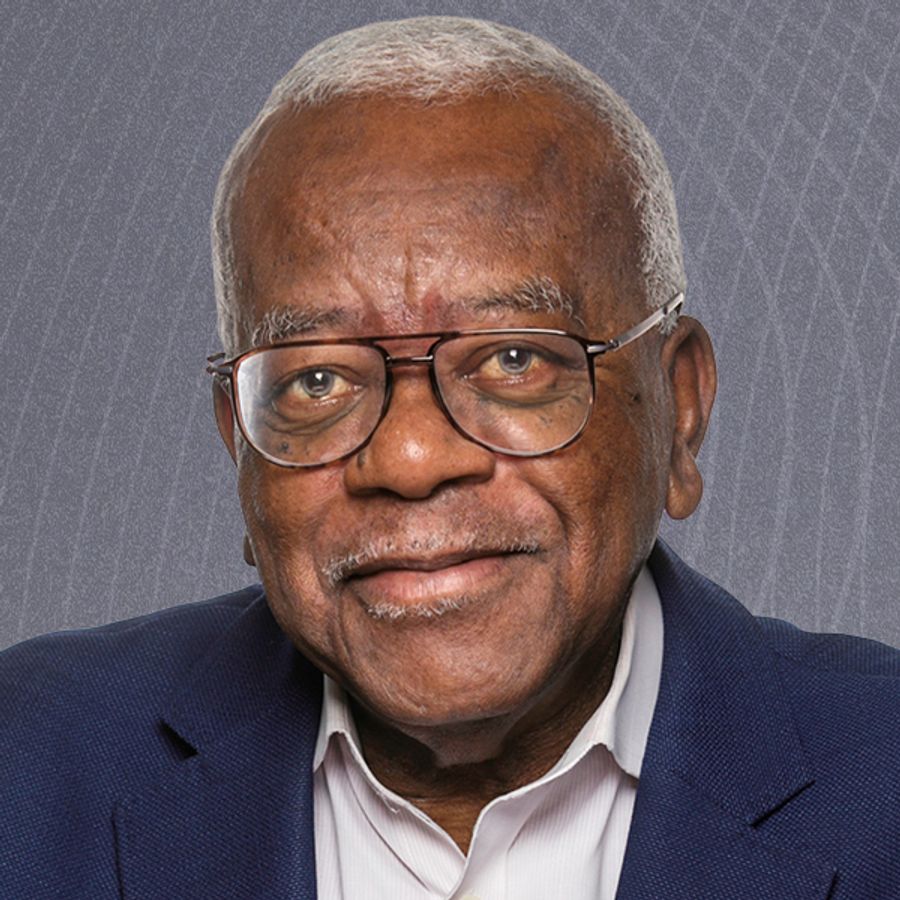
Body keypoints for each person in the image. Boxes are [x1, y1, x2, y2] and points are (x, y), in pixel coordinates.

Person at [1, 16, 897, 900]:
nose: (411, 458)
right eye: (317, 379)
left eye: (514, 360)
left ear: (680, 411)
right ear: (241, 441)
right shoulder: (26, 767)